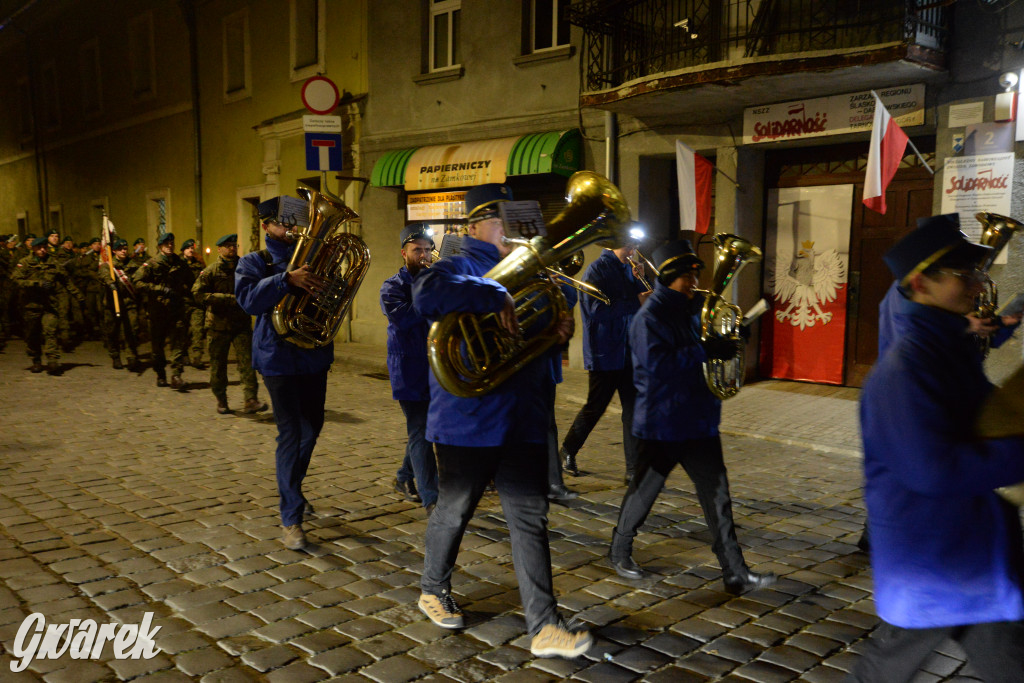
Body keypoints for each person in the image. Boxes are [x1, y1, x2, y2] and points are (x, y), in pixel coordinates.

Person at [411, 183, 592, 659]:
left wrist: (556, 335)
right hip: (466, 420)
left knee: (530, 520)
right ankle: (432, 586)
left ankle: (545, 625)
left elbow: (528, 347)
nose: (514, 230)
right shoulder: (456, 265)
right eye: (502, 221)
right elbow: (426, 294)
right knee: (455, 510)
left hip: (522, 419)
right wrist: (493, 290)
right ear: (475, 225)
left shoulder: (537, 272)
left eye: (517, 220)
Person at [851, 218, 1024, 682]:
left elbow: (984, 421)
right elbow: (934, 471)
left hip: (967, 547)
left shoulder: (950, 348)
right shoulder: (904, 370)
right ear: (920, 283)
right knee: (884, 669)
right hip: (932, 554)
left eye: (976, 274)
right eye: (963, 276)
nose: (977, 285)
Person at [608, 240, 777, 595]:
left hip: (698, 419)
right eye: (686, 275)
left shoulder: (698, 305)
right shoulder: (648, 318)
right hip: (661, 423)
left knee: (718, 497)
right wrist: (705, 349)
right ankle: (619, 549)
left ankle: (734, 571)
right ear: (668, 277)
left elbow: (714, 338)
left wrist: (734, 335)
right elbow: (658, 366)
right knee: (644, 492)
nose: (694, 280)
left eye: (695, 273)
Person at [236, 196, 331, 551]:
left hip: (313, 357)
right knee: (291, 433)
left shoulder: (315, 259)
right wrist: (285, 280)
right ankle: (291, 516)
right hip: (277, 358)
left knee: (313, 428)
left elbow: (333, 300)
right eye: (284, 223)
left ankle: (292, 487)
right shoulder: (254, 262)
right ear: (266, 226)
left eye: (295, 222)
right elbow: (248, 301)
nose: (291, 229)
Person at [560, 241, 649, 483]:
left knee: (632, 411)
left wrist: (640, 280)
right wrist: (633, 301)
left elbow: (645, 305)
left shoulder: (629, 270)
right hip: (605, 352)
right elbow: (596, 311)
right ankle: (567, 450)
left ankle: (633, 470)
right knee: (594, 407)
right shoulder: (596, 270)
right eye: (630, 245)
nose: (634, 250)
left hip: (629, 351)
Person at [380, 223, 438, 512]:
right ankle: (432, 498)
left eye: (428, 250)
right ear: (404, 253)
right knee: (421, 431)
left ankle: (404, 477)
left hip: (436, 368)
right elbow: (405, 319)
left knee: (425, 429)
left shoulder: (435, 280)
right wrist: (430, 292)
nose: (424, 255)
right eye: (418, 250)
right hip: (408, 370)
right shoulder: (392, 287)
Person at [193, 233, 267, 415]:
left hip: (240, 324)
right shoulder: (211, 271)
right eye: (228, 246)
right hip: (217, 325)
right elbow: (197, 293)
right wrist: (227, 299)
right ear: (219, 249)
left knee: (247, 363)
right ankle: (221, 399)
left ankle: (251, 399)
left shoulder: (245, 268)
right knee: (218, 365)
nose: (232, 249)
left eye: (234, 245)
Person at [11, 237, 82, 375]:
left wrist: (78, 296)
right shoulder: (25, 263)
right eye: (39, 248)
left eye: (44, 247)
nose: (42, 250)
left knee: (50, 331)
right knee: (32, 334)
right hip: (30, 305)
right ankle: (36, 359)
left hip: (49, 304)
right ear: (33, 248)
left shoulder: (53, 263)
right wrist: (36, 283)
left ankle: (52, 360)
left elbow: (66, 280)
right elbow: (16, 279)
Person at [132, 233, 195, 389]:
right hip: (158, 310)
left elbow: (191, 282)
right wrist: (158, 289)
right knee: (157, 346)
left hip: (176, 309)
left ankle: (176, 375)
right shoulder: (152, 264)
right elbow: (137, 281)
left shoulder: (180, 263)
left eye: (172, 243)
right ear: (160, 246)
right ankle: (160, 374)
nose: (170, 246)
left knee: (178, 343)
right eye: (166, 244)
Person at [103, 239, 140, 371]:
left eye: (125, 248)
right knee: (112, 331)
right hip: (113, 304)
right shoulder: (108, 266)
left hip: (129, 302)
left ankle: (131, 356)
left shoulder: (133, 264)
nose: (123, 251)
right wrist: (110, 282)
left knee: (132, 329)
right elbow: (104, 276)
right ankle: (115, 356)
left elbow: (137, 279)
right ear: (114, 251)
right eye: (120, 249)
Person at [181, 238, 208, 370]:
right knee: (184, 330)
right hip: (183, 302)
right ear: (183, 251)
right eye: (188, 248)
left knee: (198, 329)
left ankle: (197, 357)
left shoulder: (199, 264)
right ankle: (184, 353)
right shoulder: (178, 264)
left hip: (196, 302)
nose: (191, 250)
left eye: (192, 248)